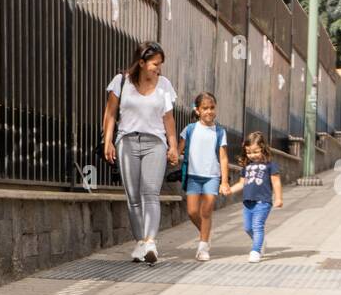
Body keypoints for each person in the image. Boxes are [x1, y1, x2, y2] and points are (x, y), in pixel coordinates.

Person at [102, 41, 179, 264]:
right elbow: (110, 114)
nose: (158, 69)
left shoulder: (164, 84)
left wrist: (173, 146)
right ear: (142, 62)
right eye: (155, 64)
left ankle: (151, 242)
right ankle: (140, 242)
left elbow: (168, 119)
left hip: (155, 142)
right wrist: (108, 141)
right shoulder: (122, 81)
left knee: (150, 193)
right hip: (126, 141)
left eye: (160, 64)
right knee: (133, 197)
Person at [177, 92, 230, 262]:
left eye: (212, 108)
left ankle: (203, 246)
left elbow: (223, 158)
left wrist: (224, 181)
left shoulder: (220, 132)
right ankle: (205, 233)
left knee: (206, 211)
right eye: (205, 108)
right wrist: (171, 155)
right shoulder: (190, 129)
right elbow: (178, 150)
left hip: (211, 177)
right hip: (193, 176)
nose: (209, 111)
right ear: (197, 110)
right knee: (192, 212)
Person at [226, 131, 283, 263]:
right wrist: (230, 190)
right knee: (248, 228)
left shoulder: (270, 165)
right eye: (249, 152)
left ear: (263, 149)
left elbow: (276, 182)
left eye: (256, 151)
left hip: (263, 202)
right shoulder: (247, 167)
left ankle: (255, 251)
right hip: (248, 202)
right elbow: (241, 183)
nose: (252, 155)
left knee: (257, 226)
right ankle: (261, 242)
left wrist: (279, 198)